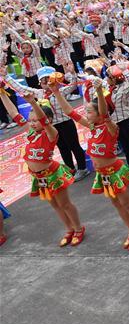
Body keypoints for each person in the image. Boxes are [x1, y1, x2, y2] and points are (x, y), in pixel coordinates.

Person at [53, 77, 129, 251]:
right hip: (103, 175)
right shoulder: (92, 128)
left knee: (127, 203)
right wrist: (56, 92)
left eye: (89, 111)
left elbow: (104, 113)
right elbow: (69, 112)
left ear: (99, 114)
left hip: (116, 172)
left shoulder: (110, 127)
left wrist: (98, 91)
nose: (86, 114)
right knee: (117, 204)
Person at [0, 83, 82, 247]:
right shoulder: (31, 133)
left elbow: (44, 121)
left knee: (64, 204)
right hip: (39, 177)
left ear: (48, 121)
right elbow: (14, 113)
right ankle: (69, 229)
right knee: (55, 205)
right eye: (30, 121)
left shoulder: (51, 133)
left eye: (35, 121)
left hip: (52, 174)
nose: (32, 124)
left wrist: (33, 103)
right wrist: (1, 93)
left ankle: (78, 229)